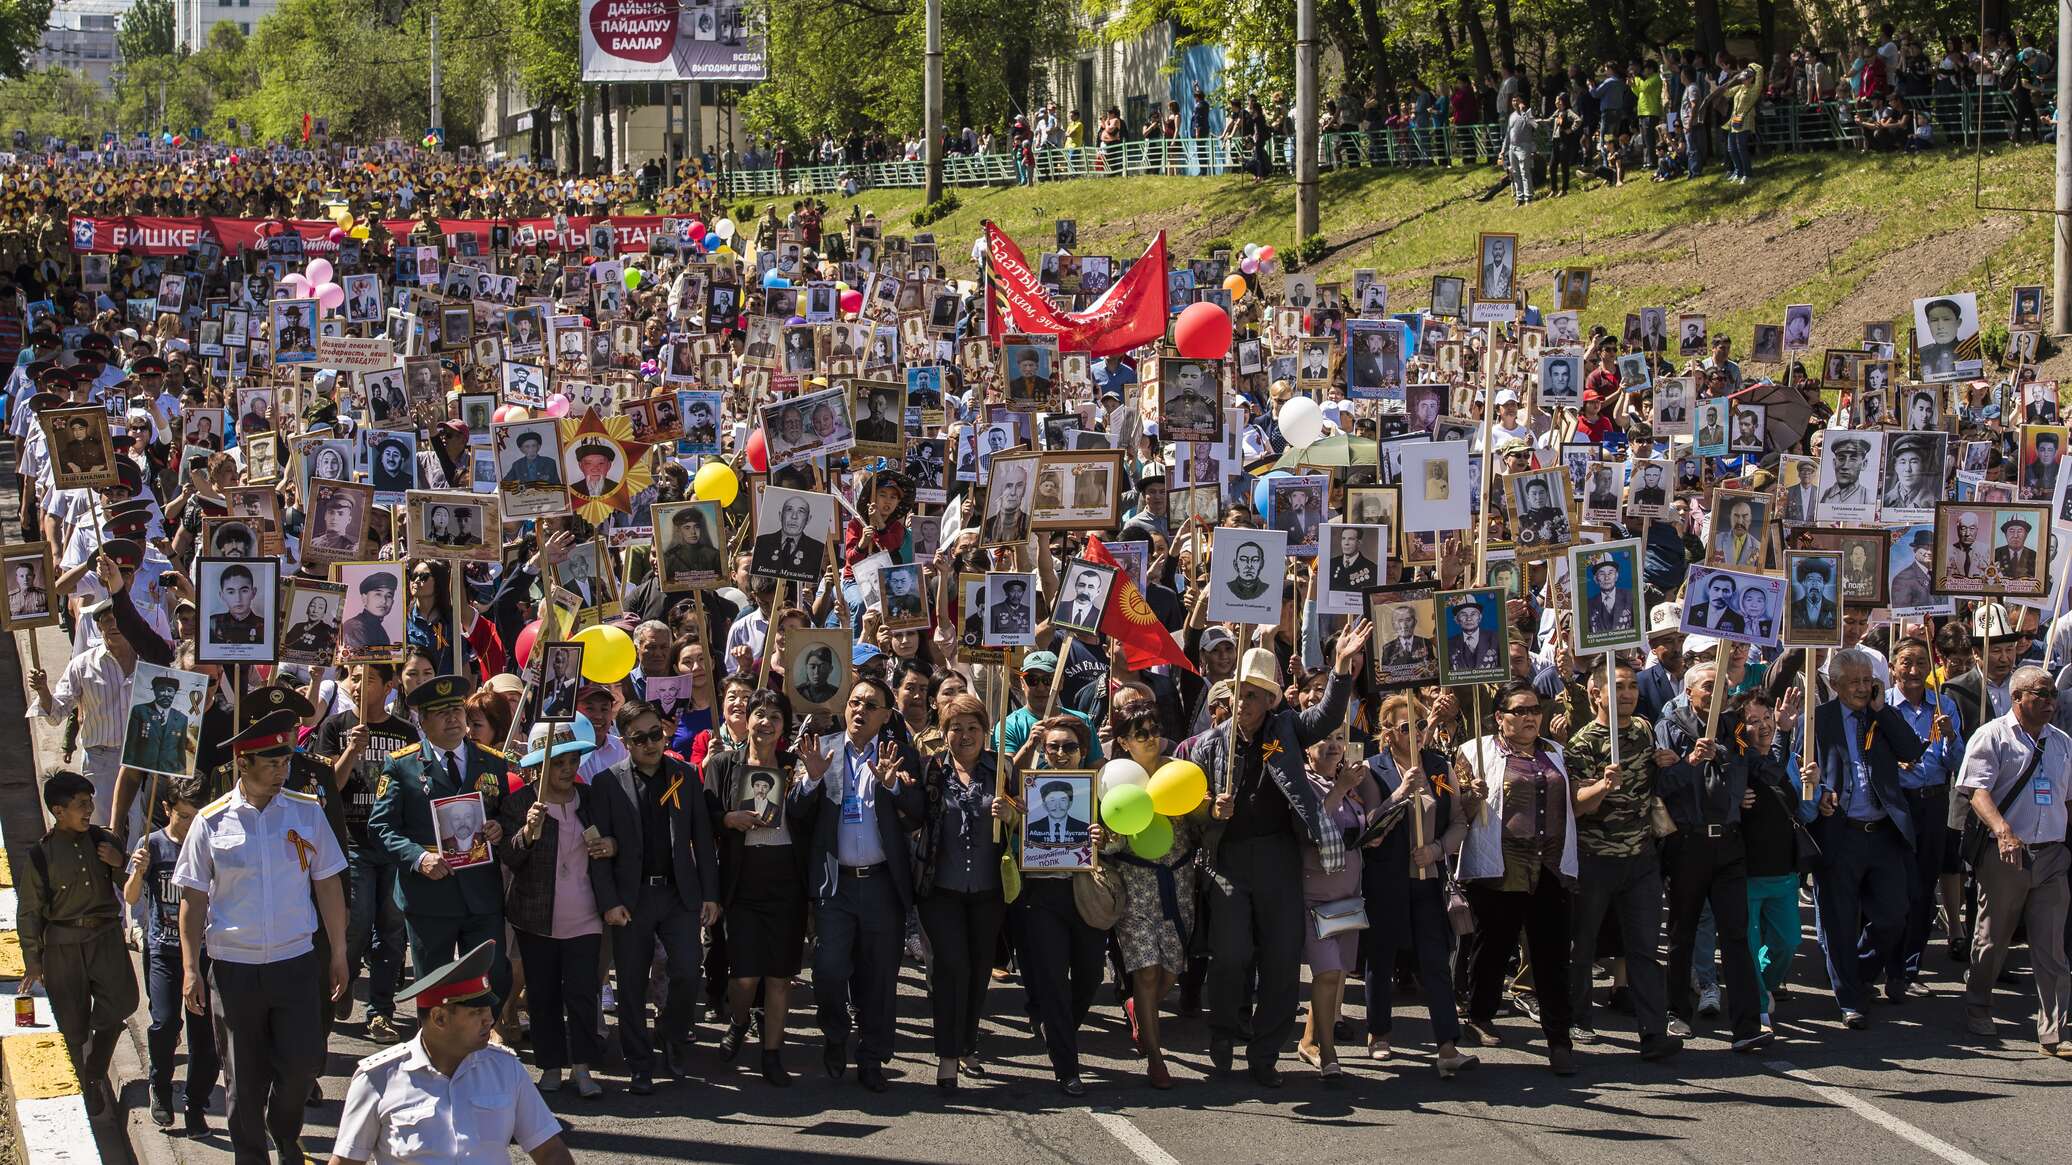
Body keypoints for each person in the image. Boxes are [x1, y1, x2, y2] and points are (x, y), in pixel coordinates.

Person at [1176, 626, 1369, 1087]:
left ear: (1270, 701)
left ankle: (1265, 1054)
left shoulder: (1285, 730)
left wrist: (1341, 669)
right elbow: (1190, 815)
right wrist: (1210, 811)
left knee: (1283, 961)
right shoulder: (1208, 745)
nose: (1246, 703)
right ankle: (1223, 1034)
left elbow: (1324, 718)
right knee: (1230, 955)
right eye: (1241, 694)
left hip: (1280, 860)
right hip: (1228, 863)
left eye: (1257, 695)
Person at [173, 711, 348, 1164]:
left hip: (295, 962)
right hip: (234, 969)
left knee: (302, 1065)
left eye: (285, 761)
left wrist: (340, 952)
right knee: (243, 1080)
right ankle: (251, 1156)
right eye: (270, 763)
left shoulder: (307, 812)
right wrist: (191, 969)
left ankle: (285, 1132)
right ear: (242, 763)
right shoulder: (210, 822)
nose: (281, 771)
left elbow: (328, 884)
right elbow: (192, 900)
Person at [788, 677, 925, 1092]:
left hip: (882, 884)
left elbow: (918, 814)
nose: (859, 710)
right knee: (828, 972)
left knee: (879, 977)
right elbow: (796, 814)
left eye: (870, 704)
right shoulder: (821, 751)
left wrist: (893, 785)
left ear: (886, 715)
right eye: (853, 702)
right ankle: (834, 1034)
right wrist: (810, 781)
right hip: (836, 885)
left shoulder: (899, 755)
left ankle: (871, 1057)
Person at [330, 941, 574, 1165]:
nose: (489, 1019)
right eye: (475, 1013)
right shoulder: (378, 1078)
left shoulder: (506, 1069)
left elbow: (551, 1153)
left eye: (488, 1010)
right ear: (439, 1018)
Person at [589, 700, 721, 1092]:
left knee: (686, 970)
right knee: (631, 983)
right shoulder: (607, 783)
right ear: (625, 742)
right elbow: (598, 853)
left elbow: (702, 837)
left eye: (656, 734)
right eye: (640, 738)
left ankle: (673, 1035)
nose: (651, 743)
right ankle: (639, 1062)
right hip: (633, 898)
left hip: (679, 894)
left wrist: (710, 894)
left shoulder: (684, 775)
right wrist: (609, 902)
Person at [1792, 647, 1926, 1026]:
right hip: (1840, 830)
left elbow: (1912, 749)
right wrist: (1819, 798)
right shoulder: (1818, 719)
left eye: (1868, 681)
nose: (1863, 688)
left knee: (1893, 917)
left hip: (1883, 832)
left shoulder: (1883, 716)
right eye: (1854, 682)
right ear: (1834, 685)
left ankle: (1861, 972)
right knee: (1838, 919)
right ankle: (1850, 998)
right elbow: (1801, 770)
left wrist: (1883, 711)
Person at [1456, 678, 1579, 1073]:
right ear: (1500, 718)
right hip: (1501, 865)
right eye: (1520, 711)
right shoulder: (1474, 753)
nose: (1529, 717)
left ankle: (1559, 1038)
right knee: (1494, 945)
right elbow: (1454, 810)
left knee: (1552, 954)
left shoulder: (1558, 753)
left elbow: (1576, 802)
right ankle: (1479, 1013)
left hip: (1550, 866)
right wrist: (1469, 795)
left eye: (1534, 710)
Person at [369, 676, 514, 1011]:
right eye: (440, 712)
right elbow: (381, 827)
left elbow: (509, 815)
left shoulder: (491, 761)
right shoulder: (402, 765)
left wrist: (499, 828)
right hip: (429, 895)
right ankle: (436, 1057)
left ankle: (476, 1048)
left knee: (494, 979)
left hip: (481, 893)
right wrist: (419, 858)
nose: (452, 718)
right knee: (433, 990)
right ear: (422, 719)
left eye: (456, 710)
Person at [1652, 660, 1772, 1051]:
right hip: (1689, 843)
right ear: (1689, 692)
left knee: (1736, 935)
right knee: (1682, 932)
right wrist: (1691, 763)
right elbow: (1661, 785)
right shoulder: (1669, 728)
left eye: (1719, 685)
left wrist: (1776, 738)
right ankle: (1676, 1013)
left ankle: (1747, 1025)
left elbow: (1752, 763)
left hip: (1730, 844)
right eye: (1706, 686)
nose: (1714, 693)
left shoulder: (1733, 726)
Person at [1565, 661, 1682, 1057]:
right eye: (1617, 687)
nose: (1628, 693)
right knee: (1582, 946)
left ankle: (1653, 1033)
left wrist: (1663, 760)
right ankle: (1577, 1019)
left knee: (1645, 949)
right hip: (1594, 859)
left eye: (1632, 685)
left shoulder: (1645, 729)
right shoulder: (1583, 743)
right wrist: (1600, 785)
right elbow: (1576, 807)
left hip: (1640, 859)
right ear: (1595, 694)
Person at [1955, 665, 2070, 1054]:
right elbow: (1976, 791)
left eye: (2052, 694)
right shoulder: (1991, 736)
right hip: (2007, 855)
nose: (2049, 701)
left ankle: (2053, 1030)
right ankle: (1978, 1005)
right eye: (2040, 694)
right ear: (2017, 698)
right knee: (1993, 937)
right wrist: (2003, 831)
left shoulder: (2062, 743)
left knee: (2051, 944)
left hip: (2052, 855)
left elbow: (2066, 797)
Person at [497, 721, 612, 1097]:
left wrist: (609, 844)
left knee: (582, 993)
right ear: (538, 766)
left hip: (586, 916)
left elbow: (616, 841)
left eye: (573, 759)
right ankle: (550, 1064)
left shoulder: (591, 798)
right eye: (559, 761)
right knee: (543, 995)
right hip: (535, 918)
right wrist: (528, 832)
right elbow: (511, 856)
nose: (567, 768)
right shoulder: (518, 803)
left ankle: (582, 1067)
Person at [912, 695, 1019, 1092]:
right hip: (941, 889)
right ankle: (946, 1056)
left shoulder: (1002, 769)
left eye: (973, 727)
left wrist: (1012, 815)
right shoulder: (932, 770)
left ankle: (968, 1044)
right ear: (944, 732)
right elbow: (912, 812)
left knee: (977, 971)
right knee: (950, 968)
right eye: (956, 728)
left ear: (985, 731)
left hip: (989, 890)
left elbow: (1023, 821)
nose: (965, 735)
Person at [19, 770, 138, 1121]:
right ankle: (80, 1092)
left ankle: (96, 1069)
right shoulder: (41, 855)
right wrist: (33, 960)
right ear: (58, 810)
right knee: (71, 1026)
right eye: (81, 804)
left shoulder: (104, 841)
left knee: (121, 1003)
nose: (90, 809)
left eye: (90, 802)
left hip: (105, 939)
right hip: (63, 946)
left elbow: (132, 887)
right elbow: (29, 910)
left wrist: (123, 864)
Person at [705, 690, 809, 1085]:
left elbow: (808, 816)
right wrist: (729, 819)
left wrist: (811, 781)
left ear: (784, 727)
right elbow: (707, 814)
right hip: (742, 880)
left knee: (780, 976)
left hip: (786, 880)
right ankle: (740, 1020)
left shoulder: (794, 765)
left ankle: (772, 1053)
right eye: (760, 714)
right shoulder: (722, 764)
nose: (767, 722)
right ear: (746, 719)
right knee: (745, 976)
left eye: (776, 717)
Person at [123, 777, 219, 1135]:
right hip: (163, 950)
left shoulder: (211, 845)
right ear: (166, 810)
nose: (190, 824)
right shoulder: (153, 845)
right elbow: (132, 898)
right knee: (164, 1022)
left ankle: (196, 1104)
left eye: (197, 817)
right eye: (182, 816)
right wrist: (138, 870)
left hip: (207, 953)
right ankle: (160, 1086)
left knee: (205, 1038)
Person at [127, 674, 191, 777]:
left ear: (175, 693)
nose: (166, 694)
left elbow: (181, 750)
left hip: (170, 775)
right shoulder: (140, 711)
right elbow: (131, 745)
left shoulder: (182, 718)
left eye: (170, 691)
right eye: (161, 690)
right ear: (154, 691)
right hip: (142, 773)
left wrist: (181, 774)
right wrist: (129, 771)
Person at [208, 563, 265, 645]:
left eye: (244, 591)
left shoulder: (264, 626)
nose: (238, 599)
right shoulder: (212, 624)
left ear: (253, 592)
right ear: (222, 595)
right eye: (231, 592)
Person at [344, 570, 399, 650]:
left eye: (389, 596)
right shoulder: (354, 627)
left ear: (393, 602)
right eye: (378, 594)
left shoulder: (379, 629)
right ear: (364, 598)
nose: (384, 601)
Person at [1447, 597, 1501, 671]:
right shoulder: (1448, 644)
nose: (1469, 618)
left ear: (1480, 617)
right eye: (1463, 615)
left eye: (1473, 614)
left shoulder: (1495, 638)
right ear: (1456, 620)